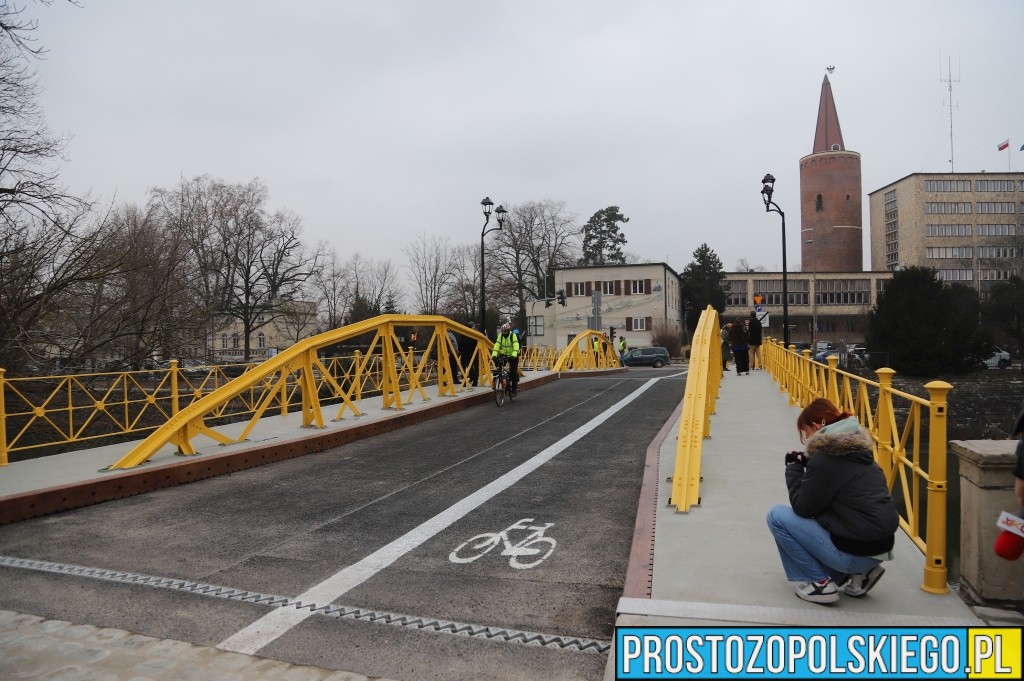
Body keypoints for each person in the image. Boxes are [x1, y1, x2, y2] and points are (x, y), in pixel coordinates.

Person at [767, 398, 898, 604]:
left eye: (806, 432)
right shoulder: (860, 452)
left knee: (777, 516)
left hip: (854, 554)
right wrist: (811, 464)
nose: (807, 439)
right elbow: (840, 481)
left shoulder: (825, 460)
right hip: (879, 551)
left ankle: (820, 584)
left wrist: (793, 468)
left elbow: (803, 507)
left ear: (817, 425)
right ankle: (862, 574)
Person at [492, 321, 520, 394]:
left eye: (506, 331)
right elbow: (496, 346)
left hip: (513, 355)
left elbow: (516, 345)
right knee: (498, 365)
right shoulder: (500, 336)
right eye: (503, 331)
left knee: (513, 371)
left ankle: (514, 389)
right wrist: (494, 355)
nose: (504, 332)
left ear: (508, 330)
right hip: (504, 354)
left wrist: (514, 355)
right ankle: (500, 379)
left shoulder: (512, 335)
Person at [458, 322, 479, 387]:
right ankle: (474, 381)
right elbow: (477, 343)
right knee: (473, 367)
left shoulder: (463, 333)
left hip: (464, 353)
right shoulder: (474, 334)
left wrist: (460, 351)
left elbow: (460, 343)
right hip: (473, 353)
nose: (474, 328)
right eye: (473, 326)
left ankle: (464, 381)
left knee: (464, 368)